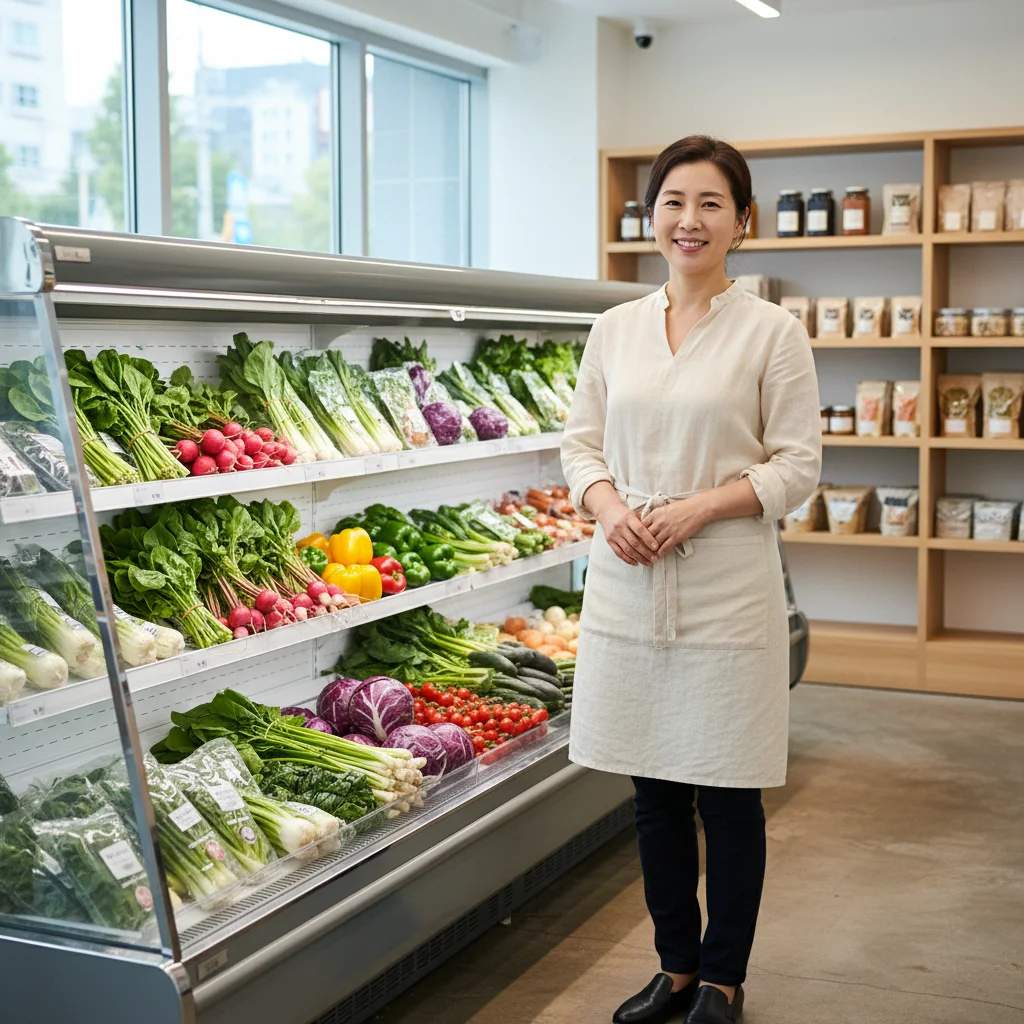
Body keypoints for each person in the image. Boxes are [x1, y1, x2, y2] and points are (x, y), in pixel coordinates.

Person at [560, 135, 822, 1024]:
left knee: (729, 790)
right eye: (673, 201)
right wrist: (608, 508)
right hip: (629, 579)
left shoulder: (772, 332)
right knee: (654, 792)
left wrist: (701, 507)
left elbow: (798, 464)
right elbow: (580, 446)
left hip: (727, 588)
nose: (689, 220)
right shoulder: (615, 328)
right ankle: (674, 966)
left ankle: (723, 978)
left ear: (742, 221)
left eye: (711, 203)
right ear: (651, 217)